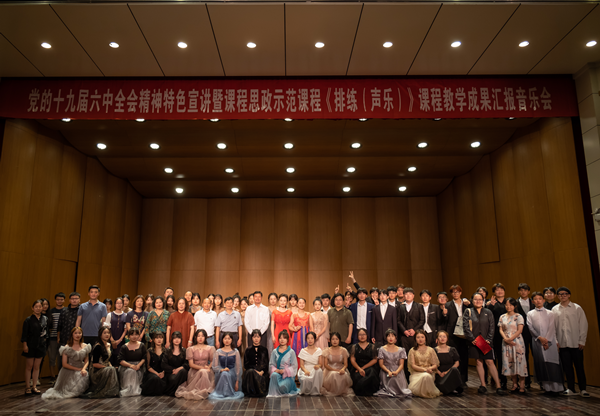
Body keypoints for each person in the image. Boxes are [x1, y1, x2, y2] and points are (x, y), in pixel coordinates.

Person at [464, 293, 506, 395]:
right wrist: (471, 338)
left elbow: (492, 326)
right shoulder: (468, 311)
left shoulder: (488, 312)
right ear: (472, 300)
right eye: (475, 299)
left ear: (483, 300)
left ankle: (498, 386)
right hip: (474, 341)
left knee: (490, 362)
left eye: (480, 299)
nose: (478, 301)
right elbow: (465, 326)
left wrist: (489, 339)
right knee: (478, 362)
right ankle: (483, 385)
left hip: (486, 341)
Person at [552, 286, 589, 397]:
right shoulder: (554, 309)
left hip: (576, 342)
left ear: (569, 295)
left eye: (565, 294)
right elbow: (553, 327)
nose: (563, 296)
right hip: (562, 343)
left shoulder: (577, 308)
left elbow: (583, 324)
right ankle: (571, 388)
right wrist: (556, 341)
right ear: (558, 296)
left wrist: (582, 340)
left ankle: (583, 389)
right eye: (560, 294)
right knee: (567, 367)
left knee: (579, 367)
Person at [527, 292, 564, 396]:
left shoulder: (550, 313)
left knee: (552, 364)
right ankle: (547, 388)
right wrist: (540, 338)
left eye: (540, 298)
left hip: (550, 342)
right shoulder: (530, 313)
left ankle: (556, 389)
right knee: (542, 364)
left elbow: (552, 327)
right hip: (537, 342)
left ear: (543, 300)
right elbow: (530, 327)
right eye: (536, 299)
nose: (538, 301)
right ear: (533, 301)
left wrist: (546, 340)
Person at [42, 327, 90, 399]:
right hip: (69, 370)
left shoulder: (85, 346)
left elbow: (86, 361)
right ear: (72, 335)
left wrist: (83, 369)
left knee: (84, 376)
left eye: (79, 333)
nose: (78, 335)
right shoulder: (67, 347)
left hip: (81, 368)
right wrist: (77, 369)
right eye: (75, 333)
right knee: (69, 390)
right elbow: (64, 364)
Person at [498, 297, 528, 394]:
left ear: (514, 306)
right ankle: (515, 384)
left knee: (520, 362)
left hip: (517, 341)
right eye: (506, 305)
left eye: (510, 305)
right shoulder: (502, 316)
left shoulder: (519, 316)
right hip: (506, 342)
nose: (508, 307)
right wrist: (505, 339)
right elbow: (500, 329)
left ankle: (522, 385)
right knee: (510, 362)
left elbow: (520, 330)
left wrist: (510, 339)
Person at [80, 326, 119, 399]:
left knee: (114, 369)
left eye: (108, 333)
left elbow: (108, 360)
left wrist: (110, 367)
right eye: (105, 333)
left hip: (105, 368)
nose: (107, 334)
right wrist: (107, 367)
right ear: (100, 335)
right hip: (96, 370)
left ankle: (111, 391)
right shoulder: (97, 347)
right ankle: (107, 391)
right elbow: (95, 364)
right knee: (111, 369)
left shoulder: (109, 345)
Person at [176, 329, 215, 400]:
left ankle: (204, 391)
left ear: (205, 337)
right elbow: (191, 365)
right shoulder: (191, 349)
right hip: (194, 372)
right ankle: (203, 392)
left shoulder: (210, 348)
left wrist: (209, 367)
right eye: (198, 336)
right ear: (195, 337)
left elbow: (212, 361)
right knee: (203, 371)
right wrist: (203, 368)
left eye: (202, 336)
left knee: (204, 372)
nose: (200, 338)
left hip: (207, 371)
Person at [444, 285, 470, 386]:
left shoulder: (466, 303)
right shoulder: (447, 304)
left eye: (457, 292)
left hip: (464, 333)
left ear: (460, 293)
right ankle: (455, 379)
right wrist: (444, 314)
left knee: (464, 356)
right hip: (452, 333)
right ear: (451, 294)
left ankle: (463, 379)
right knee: (454, 357)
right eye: (453, 292)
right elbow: (445, 320)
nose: (455, 293)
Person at [22, 299, 48, 395]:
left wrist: (44, 342)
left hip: (41, 345)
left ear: (42, 308)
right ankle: (27, 387)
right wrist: (25, 345)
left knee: (37, 367)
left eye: (40, 306)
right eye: (36, 307)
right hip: (30, 344)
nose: (38, 308)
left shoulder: (45, 318)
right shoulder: (28, 320)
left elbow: (46, 332)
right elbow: (24, 334)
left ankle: (34, 386)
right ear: (32, 308)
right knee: (29, 367)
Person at [374, 329, 411, 398]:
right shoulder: (382, 349)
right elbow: (381, 364)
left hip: (398, 370)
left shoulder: (401, 350)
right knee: (391, 379)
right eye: (388, 336)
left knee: (395, 378)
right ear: (386, 338)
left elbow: (401, 364)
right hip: (386, 370)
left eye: (392, 336)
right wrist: (388, 371)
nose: (390, 338)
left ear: (395, 337)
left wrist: (396, 371)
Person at [486, 283, 508, 389]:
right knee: (495, 356)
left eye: (501, 289)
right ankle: (495, 378)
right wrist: (490, 305)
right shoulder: (491, 303)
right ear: (494, 292)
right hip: (495, 333)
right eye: (497, 290)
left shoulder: (508, 302)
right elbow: (487, 316)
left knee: (504, 357)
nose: (499, 291)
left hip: (507, 333)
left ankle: (504, 379)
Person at [407, 330, 441, 398]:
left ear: (425, 338)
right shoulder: (412, 350)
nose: (420, 339)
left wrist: (429, 368)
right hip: (417, 373)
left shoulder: (431, 350)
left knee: (427, 376)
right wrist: (425, 370)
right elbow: (413, 365)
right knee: (425, 375)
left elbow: (435, 364)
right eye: (418, 337)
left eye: (422, 337)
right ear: (415, 339)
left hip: (429, 372)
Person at [209, 333, 244, 399]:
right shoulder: (218, 351)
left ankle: (227, 392)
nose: (227, 340)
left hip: (232, 373)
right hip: (220, 372)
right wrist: (222, 370)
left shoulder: (235, 351)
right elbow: (215, 367)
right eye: (225, 338)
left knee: (225, 374)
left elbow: (238, 367)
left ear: (232, 340)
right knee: (224, 373)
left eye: (229, 338)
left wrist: (237, 382)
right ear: (222, 340)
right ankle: (223, 392)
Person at [267, 330, 299, 397]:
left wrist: (284, 371)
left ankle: (285, 387)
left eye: (284, 338)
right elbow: (271, 364)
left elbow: (294, 366)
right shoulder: (274, 351)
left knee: (282, 387)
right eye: (280, 338)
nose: (282, 340)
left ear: (287, 340)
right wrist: (276, 370)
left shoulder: (291, 352)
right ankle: (274, 392)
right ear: (278, 339)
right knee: (274, 375)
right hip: (278, 373)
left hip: (288, 375)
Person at [118, 327, 146, 397]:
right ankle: (129, 389)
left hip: (139, 366)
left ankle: (134, 389)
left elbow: (144, 357)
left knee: (135, 371)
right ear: (129, 336)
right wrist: (130, 366)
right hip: (126, 367)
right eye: (132, 334)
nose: (134, 336)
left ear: (139, 335)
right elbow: (120, 360)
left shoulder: (142, 345)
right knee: (131, 371)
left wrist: (138, 365)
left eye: (136, 334)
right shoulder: (124, 347)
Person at [349, 328, 379, 396]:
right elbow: (352, 359)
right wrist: (359, 369)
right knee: (357, 375)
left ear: (367, 335)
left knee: (371, 372)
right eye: (360, 335)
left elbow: (375, 359)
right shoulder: (354, 347)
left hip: (369, 366)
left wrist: (362, 368)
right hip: (357, 367)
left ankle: (369, 392)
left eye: (364, 334)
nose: (362, 336)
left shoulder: (372, 346)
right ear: (357, 336)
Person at [434, 331, 463, 395]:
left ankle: (456, 387)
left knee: (454, 369)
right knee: (441, 384)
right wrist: (439, 373)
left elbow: (457, 363)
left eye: (444, 336)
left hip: (450, 373)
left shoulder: (452, 349)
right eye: (440, 336)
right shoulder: (434, 350)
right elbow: (431, 364)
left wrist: (447, 372)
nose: (442, 338)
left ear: (447, 339)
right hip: (440, 374)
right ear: (437, 339)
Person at [397, 288, 425, 356]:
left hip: (416, 335)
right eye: (406, 294)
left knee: (416, 354)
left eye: (410, 294)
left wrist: (414, 330)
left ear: (413, 295)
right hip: (404, 335)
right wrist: (404, 331)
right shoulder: (400, 307)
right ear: (404, 296)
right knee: (405, 355)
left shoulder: (419, 306)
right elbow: (398, 320)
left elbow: (422, 320)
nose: (408, 296)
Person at [516, 283, 534, 389]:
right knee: (524, 357)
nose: (523, 292)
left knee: (537, 356)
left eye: (525, 290)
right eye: (521, 290)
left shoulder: (533, 301)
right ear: (519, 292)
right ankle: (526, 380)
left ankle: (540, 381)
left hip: (534, 333)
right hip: (521, 333)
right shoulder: (515, 303)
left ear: (529, 291)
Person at [242, 330, 269, 397]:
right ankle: (252, 392)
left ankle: (260, 391)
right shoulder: (248, 350)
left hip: (261, 372)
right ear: (251, 338)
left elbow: (266, 364)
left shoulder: (264, 350)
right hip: (251, 372)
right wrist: (255, 370)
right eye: (254, 337)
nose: (256, 339)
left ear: (260, 338)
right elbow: (246, 364)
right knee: (250, 372)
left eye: (258, 337)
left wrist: (262, 371)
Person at [162, 331, 189, 396]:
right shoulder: (168, 351)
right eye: (175, 338)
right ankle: (172, 391)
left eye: (178, 338)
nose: (177, 340)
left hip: (181, 372)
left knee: (183, 371)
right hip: (171, 372)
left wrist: (178, 369)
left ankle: (179, 390)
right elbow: (163, 364)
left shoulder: (184, 351)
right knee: (172, 378)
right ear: (172, 340)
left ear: (181, 339)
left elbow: (187, 364)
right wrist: (173, 370)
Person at [47, 292, 65, 381]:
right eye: (58, 299)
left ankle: (60, 376)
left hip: (63, 338)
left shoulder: (66, 311)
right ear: (55, 300)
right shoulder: (51, 311)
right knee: (52, 357)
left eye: (61, 299)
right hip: (52, 337)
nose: (59, 301)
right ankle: (52, 376)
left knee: (61, 358)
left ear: (64, 300)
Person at [106, 297, 127, 366]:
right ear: (115, 304)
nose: (119, 304)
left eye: (120, 303)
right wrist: (112, 340)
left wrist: (120, 340)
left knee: (119, 357)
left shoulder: (125, 315)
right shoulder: (110, 315)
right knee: (111, 356)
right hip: (111, 338)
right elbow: (107, 328)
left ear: (123, 304)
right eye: (117, 303)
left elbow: (125, 329)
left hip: (121, 340)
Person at [290, 297, 310, 366]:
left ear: (305, 304)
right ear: (297, 304)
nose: (301, 304)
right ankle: (297, 369)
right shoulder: (294, 314)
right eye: (300, 303)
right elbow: (289, 326)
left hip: (306, 336)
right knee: (297, 352)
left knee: (307, 352)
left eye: (303, 303)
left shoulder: (308, 314)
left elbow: (311, 327)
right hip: (297, 336)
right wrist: (295, 329)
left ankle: (306, 368)